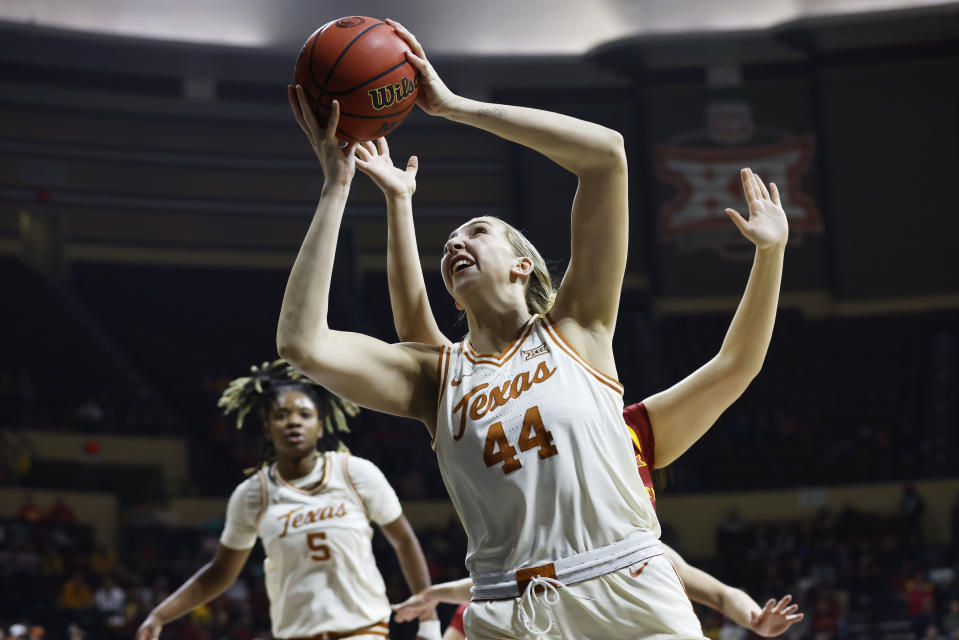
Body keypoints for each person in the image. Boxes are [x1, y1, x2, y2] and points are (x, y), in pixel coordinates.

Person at [277, 17, 787, 639]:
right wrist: (337, 186)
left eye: (476, 231)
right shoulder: (436, 377)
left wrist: (453, 106)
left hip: (625, 588)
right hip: (507, 610)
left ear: (523, 266)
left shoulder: (578, 328)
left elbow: (605, 157)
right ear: (451, 297)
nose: (456, 243)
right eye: (449, 244)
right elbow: (302, 344)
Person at [136, 361, 440, 640]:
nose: (293, 422)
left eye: (304, 414)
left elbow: (404, 542)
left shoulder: (355, 473)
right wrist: (160, 614)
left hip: (363, 630)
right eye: (282, 415)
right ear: (268, 429)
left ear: (320, 426)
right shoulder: (253, 494)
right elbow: (220, 572)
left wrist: (428, 620)